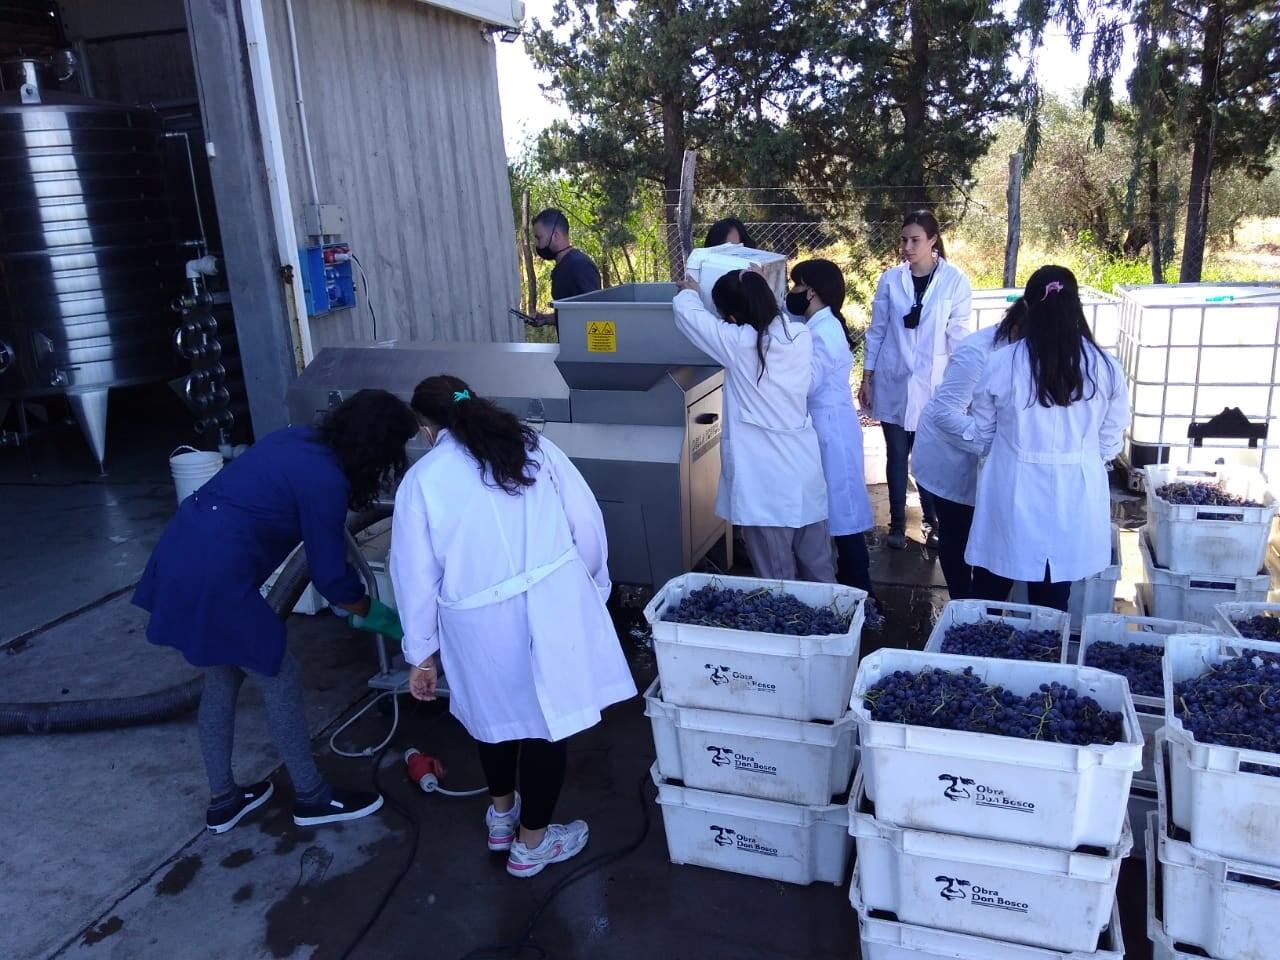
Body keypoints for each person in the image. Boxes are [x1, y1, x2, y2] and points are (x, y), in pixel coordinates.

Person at [133, 390, 419, 834]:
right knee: (279, 674)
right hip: (216, 578)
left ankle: (224, 800)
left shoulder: (296, 440)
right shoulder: (325, 481)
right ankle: (312, 798)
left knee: (223, 674)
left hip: (180, 553)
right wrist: (380, 616)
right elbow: (328, 578)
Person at [391, 375, 635, 879]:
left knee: (494, 719)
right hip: (551, 601)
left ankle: (503, 818)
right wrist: (588, 583)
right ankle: (532, 845)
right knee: (548, 721)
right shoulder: (533, 446)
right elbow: (586, 524)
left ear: (425, 428)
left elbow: (413, 573)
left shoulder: (423, 480)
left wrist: (421, 653)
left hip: (477, 622)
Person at [964, 266, 1130, 611]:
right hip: (1074, 492)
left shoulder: (1003, 362)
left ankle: (980, 661)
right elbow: (1110, 441)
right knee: (1053, 597)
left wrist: (1012, 449)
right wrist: (1079, 454)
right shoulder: (1105, 367)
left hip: (1012, 486)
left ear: (1028, 306)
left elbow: (984, 430)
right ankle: (1045, 659)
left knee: (992, 585)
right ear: (1076, 306)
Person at [673, 269, 833, 582]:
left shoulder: (741, 344)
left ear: (733, 317)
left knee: (777, 580)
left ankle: (786, 633)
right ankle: (835, 631)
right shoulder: (798, 335)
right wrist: (754, 281)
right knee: (819, 570)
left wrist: (690, 290)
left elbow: (689, 316)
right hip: (804, 473)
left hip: (766, 485)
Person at [858, 211, 973, 550]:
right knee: (896, 453)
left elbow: (959, 336)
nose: (907, 247)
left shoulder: (954, 280)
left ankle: (932, 519)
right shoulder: (891, 280)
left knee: (927, 455)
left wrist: (965, 385)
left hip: (934, 385)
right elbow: (877, 330)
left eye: (915, 240)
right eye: (904, 240)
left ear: (933, 240)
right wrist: (867, 376)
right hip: (893, 379)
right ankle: (896, 523)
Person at [787, 259, 883, 623]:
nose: (791, 294)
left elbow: (805, 382)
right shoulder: (817, 324)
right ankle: (853, 595)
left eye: (796, 286)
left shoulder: (824, 332)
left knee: (844, 522)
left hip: (831, 433)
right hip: (825, 429)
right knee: (838, 517)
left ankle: (863, 599)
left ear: (811, 291)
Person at [912, 298, 1025, 599]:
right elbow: (946, 413)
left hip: (991, 454)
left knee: (994, 536)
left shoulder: (1028, 353)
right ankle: (961, 604)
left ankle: (984, 607)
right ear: (1016, 327)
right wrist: (990, 443)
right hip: (951, 457)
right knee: (958, 533)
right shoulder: (977, 352)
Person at [526, 208, 602, 331]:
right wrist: (546, 319)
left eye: (539, 238)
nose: (537, 245)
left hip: (581, 348)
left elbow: (593, 314)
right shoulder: (562, 266)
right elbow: (573, 312)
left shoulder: (579, 265)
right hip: (569, 347)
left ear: (556, 235)